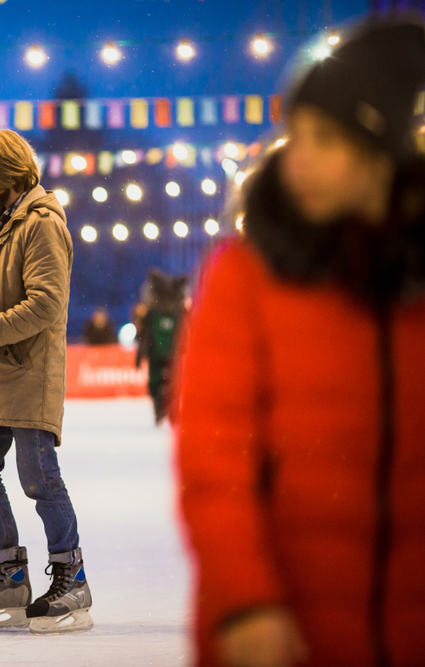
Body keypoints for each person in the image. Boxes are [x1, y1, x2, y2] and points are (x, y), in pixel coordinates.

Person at [176, 21, 425, 667]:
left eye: (328, 139)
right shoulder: (246, 274)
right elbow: (214, 458)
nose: (299, 159)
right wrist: (247, 602)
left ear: (381, 156)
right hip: (276, 630)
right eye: (297, 134)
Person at [0, 129, 91, 634]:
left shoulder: (42, 224)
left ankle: (72, 578)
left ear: (1, 175)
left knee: (39, 478)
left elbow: (46, 303)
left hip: (28, 370)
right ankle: (10, 577)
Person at [135, 270, 187, 425]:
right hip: (172, 353)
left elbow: (144, 336)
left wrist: (139, 356)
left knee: (156, 382)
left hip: (155, 352)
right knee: (173, 382)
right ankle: (171, 411)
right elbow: (186, 333)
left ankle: (161, 411)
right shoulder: (178, 314)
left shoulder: (151, 314)